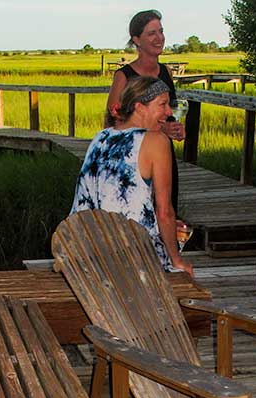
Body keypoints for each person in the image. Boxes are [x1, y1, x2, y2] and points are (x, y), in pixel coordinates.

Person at [71, 76, 193, 276]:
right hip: (131, 257)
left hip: (85, 252)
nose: (169, 112)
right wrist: (177, 260)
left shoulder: (101, 136)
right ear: (140, 107)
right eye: (162, 104)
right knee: (186, 274)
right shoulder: (156, 141)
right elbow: (165, 212)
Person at [106, 9, 183, 214]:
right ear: (137, 40)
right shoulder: (124, 76)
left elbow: (169, 113)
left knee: (165, 212)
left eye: (161, 31)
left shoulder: (165, 72)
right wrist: (158, 129)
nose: (159, 38)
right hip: (134, 161)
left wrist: (175, 129)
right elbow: (111, 123)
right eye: (152, 33)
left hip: (164, 158)